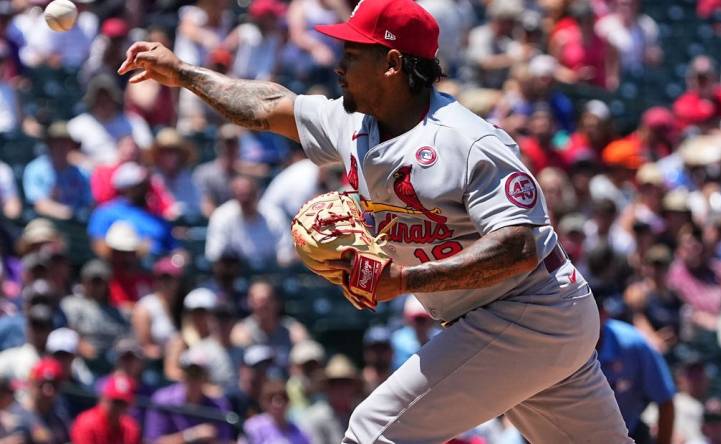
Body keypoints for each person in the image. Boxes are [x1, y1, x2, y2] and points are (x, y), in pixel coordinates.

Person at [117, 0, 632, 441]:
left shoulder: (465, 140)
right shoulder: (353, 123)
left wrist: (404, 279)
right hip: (514, 320)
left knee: (373, 430)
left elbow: (519, 245)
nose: (339, 65)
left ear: (390, 63)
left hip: (528, 308)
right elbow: (268, 104)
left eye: (351, 54)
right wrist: (183, 72)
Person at [596, 294, 676, 444]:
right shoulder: (559, 344)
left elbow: (665, 400)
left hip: (627, 434)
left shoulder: (633, 343)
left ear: (603, 314)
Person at [23, 121, 92, 220]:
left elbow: (88, 203)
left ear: (71, 146)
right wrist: (68, 213)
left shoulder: (82, 173)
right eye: (56, 143)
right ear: (49, 145)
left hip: (78, 224)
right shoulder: (35, 169)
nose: (61, 147)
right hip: (47, 221)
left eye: (65, 143)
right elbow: (39, 205)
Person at [70, 373, 141, 444]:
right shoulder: (87, 423)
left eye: (123, 403)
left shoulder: (130, 428)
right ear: (103, 399)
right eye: (115, 402)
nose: (118, 407)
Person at [240, 378, 310, 444]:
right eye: (271, 399)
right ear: (264, 402)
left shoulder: (298, 430)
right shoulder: (253, 427)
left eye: (282, 399)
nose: (277, 404)